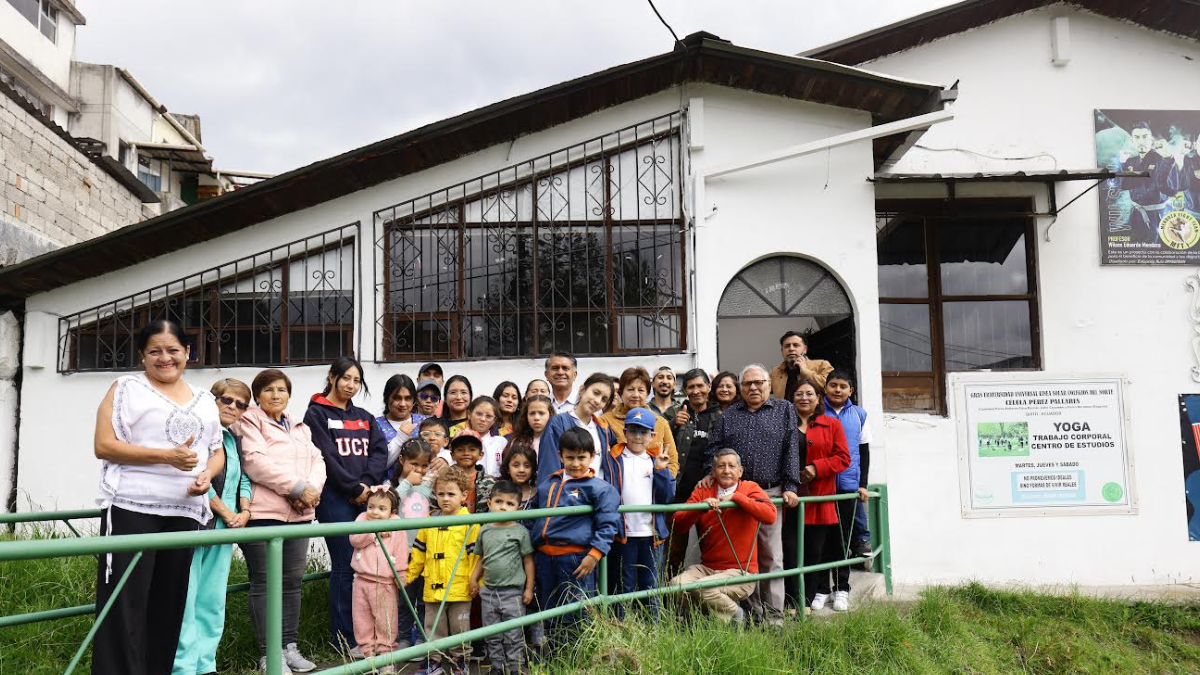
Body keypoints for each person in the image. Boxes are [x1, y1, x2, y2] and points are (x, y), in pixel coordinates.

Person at [91, 320, 225, 675]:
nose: (165, 358)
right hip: (131, 508)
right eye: (155, 351)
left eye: (173, 350)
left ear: (188, 353)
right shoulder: (126, 388)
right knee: (124, 604)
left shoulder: (205, 400)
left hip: (183, 512)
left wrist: (206, 476)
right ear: (142, 355)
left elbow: (216, 452)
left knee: (168, 606)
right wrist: (165, 456)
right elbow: (103, 446)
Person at [238, 368, 327, 673]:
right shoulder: (249, 420)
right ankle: (269, 654)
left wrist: (311, 492)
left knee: (291, 583)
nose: (276, 395)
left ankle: (289, 647)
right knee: (265, 583)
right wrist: (297, 488)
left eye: (282, 390)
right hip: (264, 515)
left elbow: (318, 460)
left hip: (300, 515)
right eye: (269, 390)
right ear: (257, 395)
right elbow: (255, 462)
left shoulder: (300, 426)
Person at [305, 356, 388, 656]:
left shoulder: (365, 416)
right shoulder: (315, 414)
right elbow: (325, 455)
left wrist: (365, 486)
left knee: (366, 565)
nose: (351, 385)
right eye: (346, 378)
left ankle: (368, 634)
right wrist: (353, 488)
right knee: (344, 563)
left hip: (364, 497)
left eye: (357, 380)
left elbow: (380, 450)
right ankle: (343, 638)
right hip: (333, 500)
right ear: (332, 377)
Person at [707, 364, 800, 624]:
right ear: (740, 388)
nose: (754, 388)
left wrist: (791, 486)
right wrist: (712, 476)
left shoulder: (784, 410)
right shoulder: (729, 415)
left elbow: (791, 448)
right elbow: (713, 449)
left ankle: (774, 617)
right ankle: (752, 614)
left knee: (771, 555)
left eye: (759, 382)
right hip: (737, 493)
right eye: (747, 384)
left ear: (769, 385)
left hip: (769, 492)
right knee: (743, 557)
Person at [173, 378, 254, 675]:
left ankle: (206, 665)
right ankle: (182, 668)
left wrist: (244, 511)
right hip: (197, 524)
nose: (233, 407)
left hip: (224, 528)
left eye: (241, 404)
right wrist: (227, 512)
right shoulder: (198, 432)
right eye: (227, 400)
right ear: (212, 399)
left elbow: (243, 477)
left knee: (211, 601)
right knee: (187, 600)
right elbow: (195, 476)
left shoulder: (234, 439)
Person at [531, 427, 620, 643]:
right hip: (544, 558)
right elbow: (532, 516)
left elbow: (608, 522)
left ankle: (580, 661)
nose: (576, 463)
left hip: (575, 559)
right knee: (549, 610)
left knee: (579, 611)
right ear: (560, 455)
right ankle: (554, 659)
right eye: (570, 457)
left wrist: (595, 553)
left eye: (582, 457)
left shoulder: (599, 488)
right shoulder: (547, 484)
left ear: (592, 457)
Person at [670, 449, 777, 623]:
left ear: (740, 471)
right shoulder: (704, 491)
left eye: (731, 466)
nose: (726, 470)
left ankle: (736, 617)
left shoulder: (749, 488)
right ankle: (699, 623)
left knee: (706, 589)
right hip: (708, 567)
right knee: (676, 586)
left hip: (741, 571)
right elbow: (678, 524)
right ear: (713, 471)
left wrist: (738, 498)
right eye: (721, 466)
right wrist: (701, 508)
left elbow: (770, 515)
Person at [601, 408, 674, 614]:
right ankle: (622, 631)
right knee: (623, 585)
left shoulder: (655, 461)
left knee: (650, 586)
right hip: (624, 534)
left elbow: (667, 497)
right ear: (625, 432)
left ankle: (653, 631)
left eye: (643, 432)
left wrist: (661, 470)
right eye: (633, 431)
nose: (638, 437)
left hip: (652, 535)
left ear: (652, 436)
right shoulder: (613, 459)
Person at [408, 466, 480, 675]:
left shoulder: (470, 523)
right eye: (441, 494)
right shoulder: (429, 522)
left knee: (460, 628)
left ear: (464, 495)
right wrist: (409, 575)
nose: (445, 499)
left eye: (451, 494)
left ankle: (460, 661)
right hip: (433, 586)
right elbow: (419, 553)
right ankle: (434, 661)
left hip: (460, 587)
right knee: (433, 627)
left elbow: (476, 557)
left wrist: (475, 582)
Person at [791, 379, 851, 612]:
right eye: (798, 394)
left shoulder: (832, 424)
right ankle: (795, 600)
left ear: (818, 398)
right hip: (791, 497)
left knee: (817, 549)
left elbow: (844, 458)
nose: (804, 398)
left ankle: (813, 595)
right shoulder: (785, 424)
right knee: (792, 550)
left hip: (820, 498)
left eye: (809, 393)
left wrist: (817, 467)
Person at [468, 481, 536, 675]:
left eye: (509, 504)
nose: (503, 507)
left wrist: (529, 588)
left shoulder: (520, 532)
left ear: (518, 507)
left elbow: (528, 562)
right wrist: (474, 579)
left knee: (514, 634)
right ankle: (497, 668)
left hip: (513, 593)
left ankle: (516, 668)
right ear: (489, 503)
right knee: (492, 633)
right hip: (488, 592)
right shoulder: (485, 529)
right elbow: (482, 558)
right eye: (498, 502)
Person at [665, 369, 723, 576]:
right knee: (673, 549)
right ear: (685, 390)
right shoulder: (674, 413)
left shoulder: (720, 417)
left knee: (710, 546)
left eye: (700, 386)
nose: (696, 391)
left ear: (708, 387)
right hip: (677, 492)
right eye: (691, 387)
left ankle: (709, 599)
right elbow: (656, 440)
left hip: (708, 494)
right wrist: (673, 425)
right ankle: (670, 600)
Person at [349, 485, 409, 674]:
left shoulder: (396, 525)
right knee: (361, 621)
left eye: (382, 509)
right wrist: (374, 531)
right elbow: (355, 540)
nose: (374, 512)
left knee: (385, 621)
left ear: (392, 511)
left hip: (384, 582)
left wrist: (401, 573)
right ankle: (368, 658)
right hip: (361, 580)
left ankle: (387, 658)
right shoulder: (362, 519)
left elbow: (401, 551)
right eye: (371, 507)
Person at [823, 370, 873, 562]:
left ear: (850, 391)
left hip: (849, 481)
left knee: (849, 525)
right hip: (823, 482)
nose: (838, 390)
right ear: (825, 388)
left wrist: (863, 484)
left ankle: (859, 546)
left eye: (843, 387)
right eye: (833, 385)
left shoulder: (859, 415)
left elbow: (864, 451)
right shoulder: (816, 412)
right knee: (829, 533)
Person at [392, 438, 434, 654]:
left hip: (425, 553)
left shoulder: (429, 488)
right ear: (401, 460)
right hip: (402, 554)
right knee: (404, 599)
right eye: (413, 464)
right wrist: (407, 482)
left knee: (424, 599)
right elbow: (391, 503)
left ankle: (423, 638)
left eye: (423, 466)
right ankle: (405, 638)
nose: (418, 470)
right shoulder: (396, 487)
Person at [535, 373, 616, 484]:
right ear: (582, 390)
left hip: (597, 496)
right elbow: (549, 469)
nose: (597, 401)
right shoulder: (558, 423)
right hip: (568, 497)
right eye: (595, 393)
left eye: (604, 399)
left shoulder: (604, 430)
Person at [602, 367, 680, 477]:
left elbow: (672, 462)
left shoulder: (660, 422)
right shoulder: (605, 421)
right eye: (630, 389)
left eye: (641, 390)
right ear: (621, 392)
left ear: (648, 393)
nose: (636, 395)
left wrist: (661, 484)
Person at [378, 374, 426, 483]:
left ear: (414, 400)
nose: (403, 404)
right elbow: (379, 465)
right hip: (388, 492)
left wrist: (444, 457)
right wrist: (400, 438)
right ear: (387, 398)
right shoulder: (376, 425)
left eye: (408, 398)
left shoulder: (424, 422)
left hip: (422, 490)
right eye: (397, 398)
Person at [770, 331, 834, 401]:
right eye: (787, 346)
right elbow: (761, 390)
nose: (791, 349)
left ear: (805, 349)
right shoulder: (775, 372)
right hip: (784, 411)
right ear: (782, 351)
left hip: (815, 411)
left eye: (796, 345)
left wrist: (806, 372)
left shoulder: (821, 365)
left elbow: (832, 387)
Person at [456, 396, 508, 479]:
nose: (483, 419)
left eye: (488, 416)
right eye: (479, 414)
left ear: (494, 420)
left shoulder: (501, 442)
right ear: (469, 414)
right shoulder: (459, 438)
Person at [448, 433, 494, 513]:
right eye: (460, 450)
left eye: (472, 449)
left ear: (481, 454)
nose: (466, 453)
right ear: (452, 455)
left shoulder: (489, 481)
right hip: (453, 524)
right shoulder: (445, 479)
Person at [508, 394, 555, 462]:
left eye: (541, 413)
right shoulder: (518, 442)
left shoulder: (557, 440)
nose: (536, 418)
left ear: (550, 415)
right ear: (526, 416)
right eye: (532, 413)